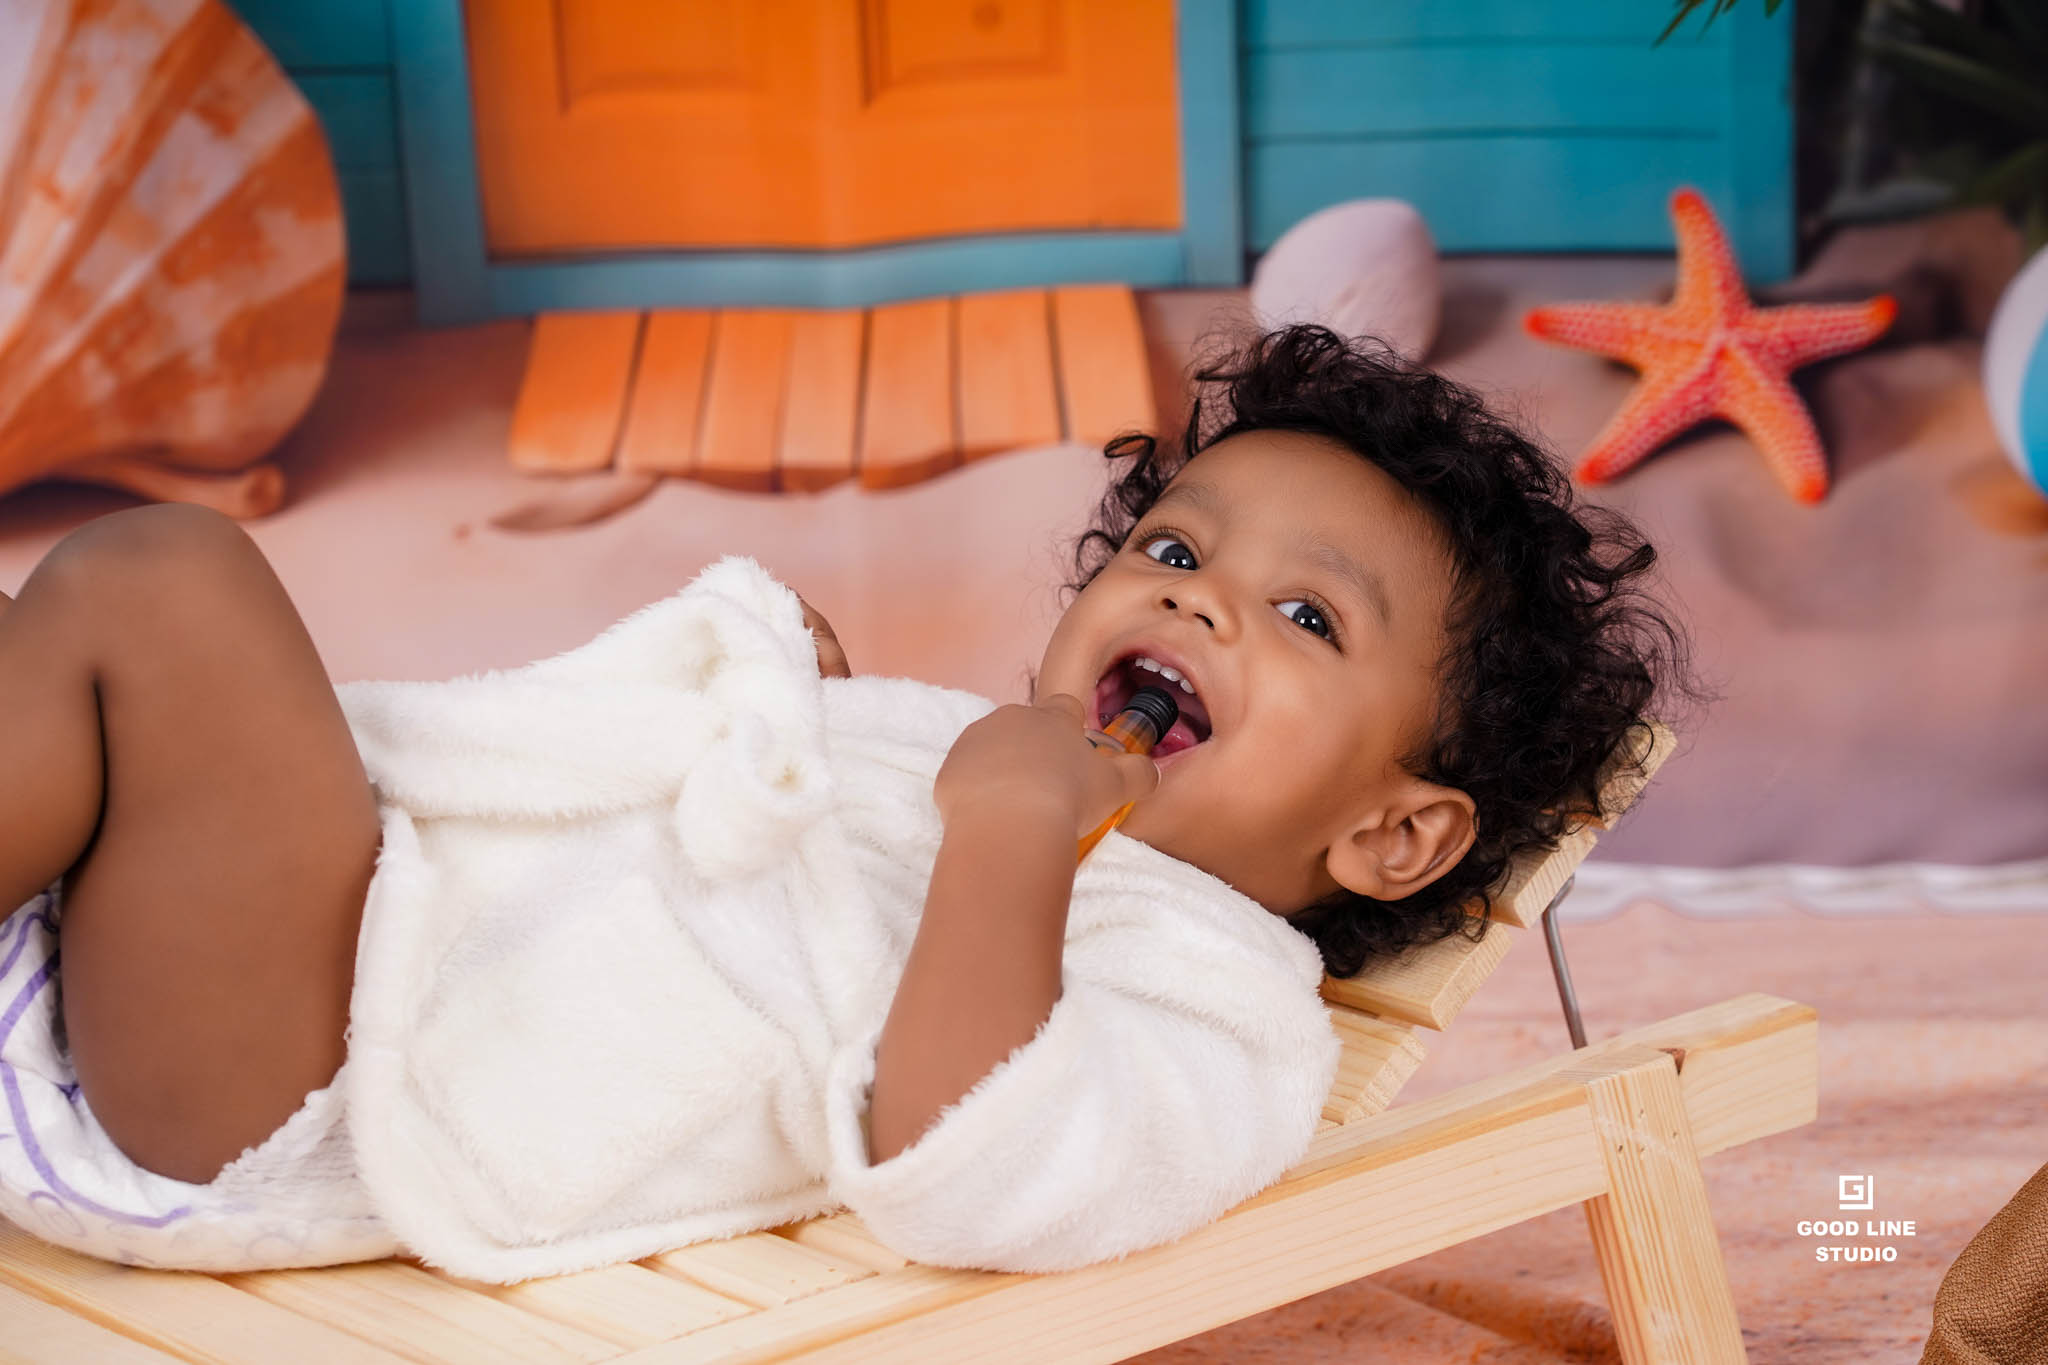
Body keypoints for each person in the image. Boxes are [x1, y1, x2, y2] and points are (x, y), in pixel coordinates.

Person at [0, 324, 1691, 1281]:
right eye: (1174, 548)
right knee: (93, 635)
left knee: (160, 590)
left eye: (1310, 617)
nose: (1198, 598)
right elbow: (763, 906)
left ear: (1392, 834)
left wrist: (1014, 835)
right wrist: (802, 724)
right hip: (366, 950)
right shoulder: (962, 763)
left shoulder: (1222, 1012)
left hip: (326, 1092)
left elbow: (978, 1165)